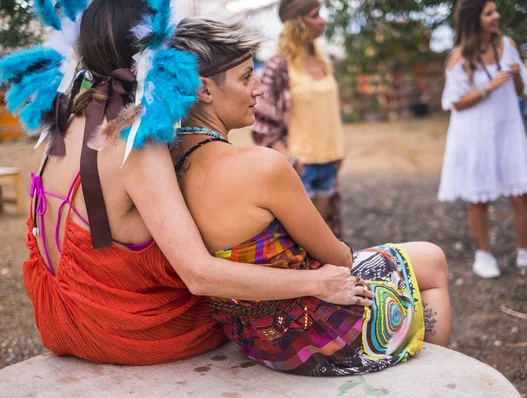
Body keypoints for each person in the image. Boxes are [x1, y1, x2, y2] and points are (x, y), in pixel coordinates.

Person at [0, 0, 370, 365]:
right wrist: (318, 283)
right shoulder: (135, 142)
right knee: (251, 305)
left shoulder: (63, 125)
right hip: (121, 330)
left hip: (57, 316)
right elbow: (198, 275)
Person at [165, 17, 450, 376]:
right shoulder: (261, 166)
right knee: (432, 260)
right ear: (203, 89)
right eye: (245, 77)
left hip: (253, 336)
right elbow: (337, 257)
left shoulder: (168, 161)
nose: (259, 89)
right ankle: (432, 380)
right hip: (315, 333)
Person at [438, 0, 527, 279]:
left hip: (508, 130)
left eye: (495, 11)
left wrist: (516, 76)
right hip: (476, 134)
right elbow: (455, 103)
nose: (497, 16)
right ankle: (483, 255)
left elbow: (519, 91)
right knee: (479, 197)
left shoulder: (508, 44)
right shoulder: (459, 55)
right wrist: (488, 88)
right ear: (474, 19)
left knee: (525, 193)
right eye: (489, 12)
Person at [252, 0, 344, 237]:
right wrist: (289, 159)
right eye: (315, 15)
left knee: (324, 237)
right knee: (297, 240)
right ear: (298, 23)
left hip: (329, 161)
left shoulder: (323, 61)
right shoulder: (278, 66)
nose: (322, 21)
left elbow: (328, 112)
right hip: (300, 166)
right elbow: (262, 120)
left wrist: (338, 152)